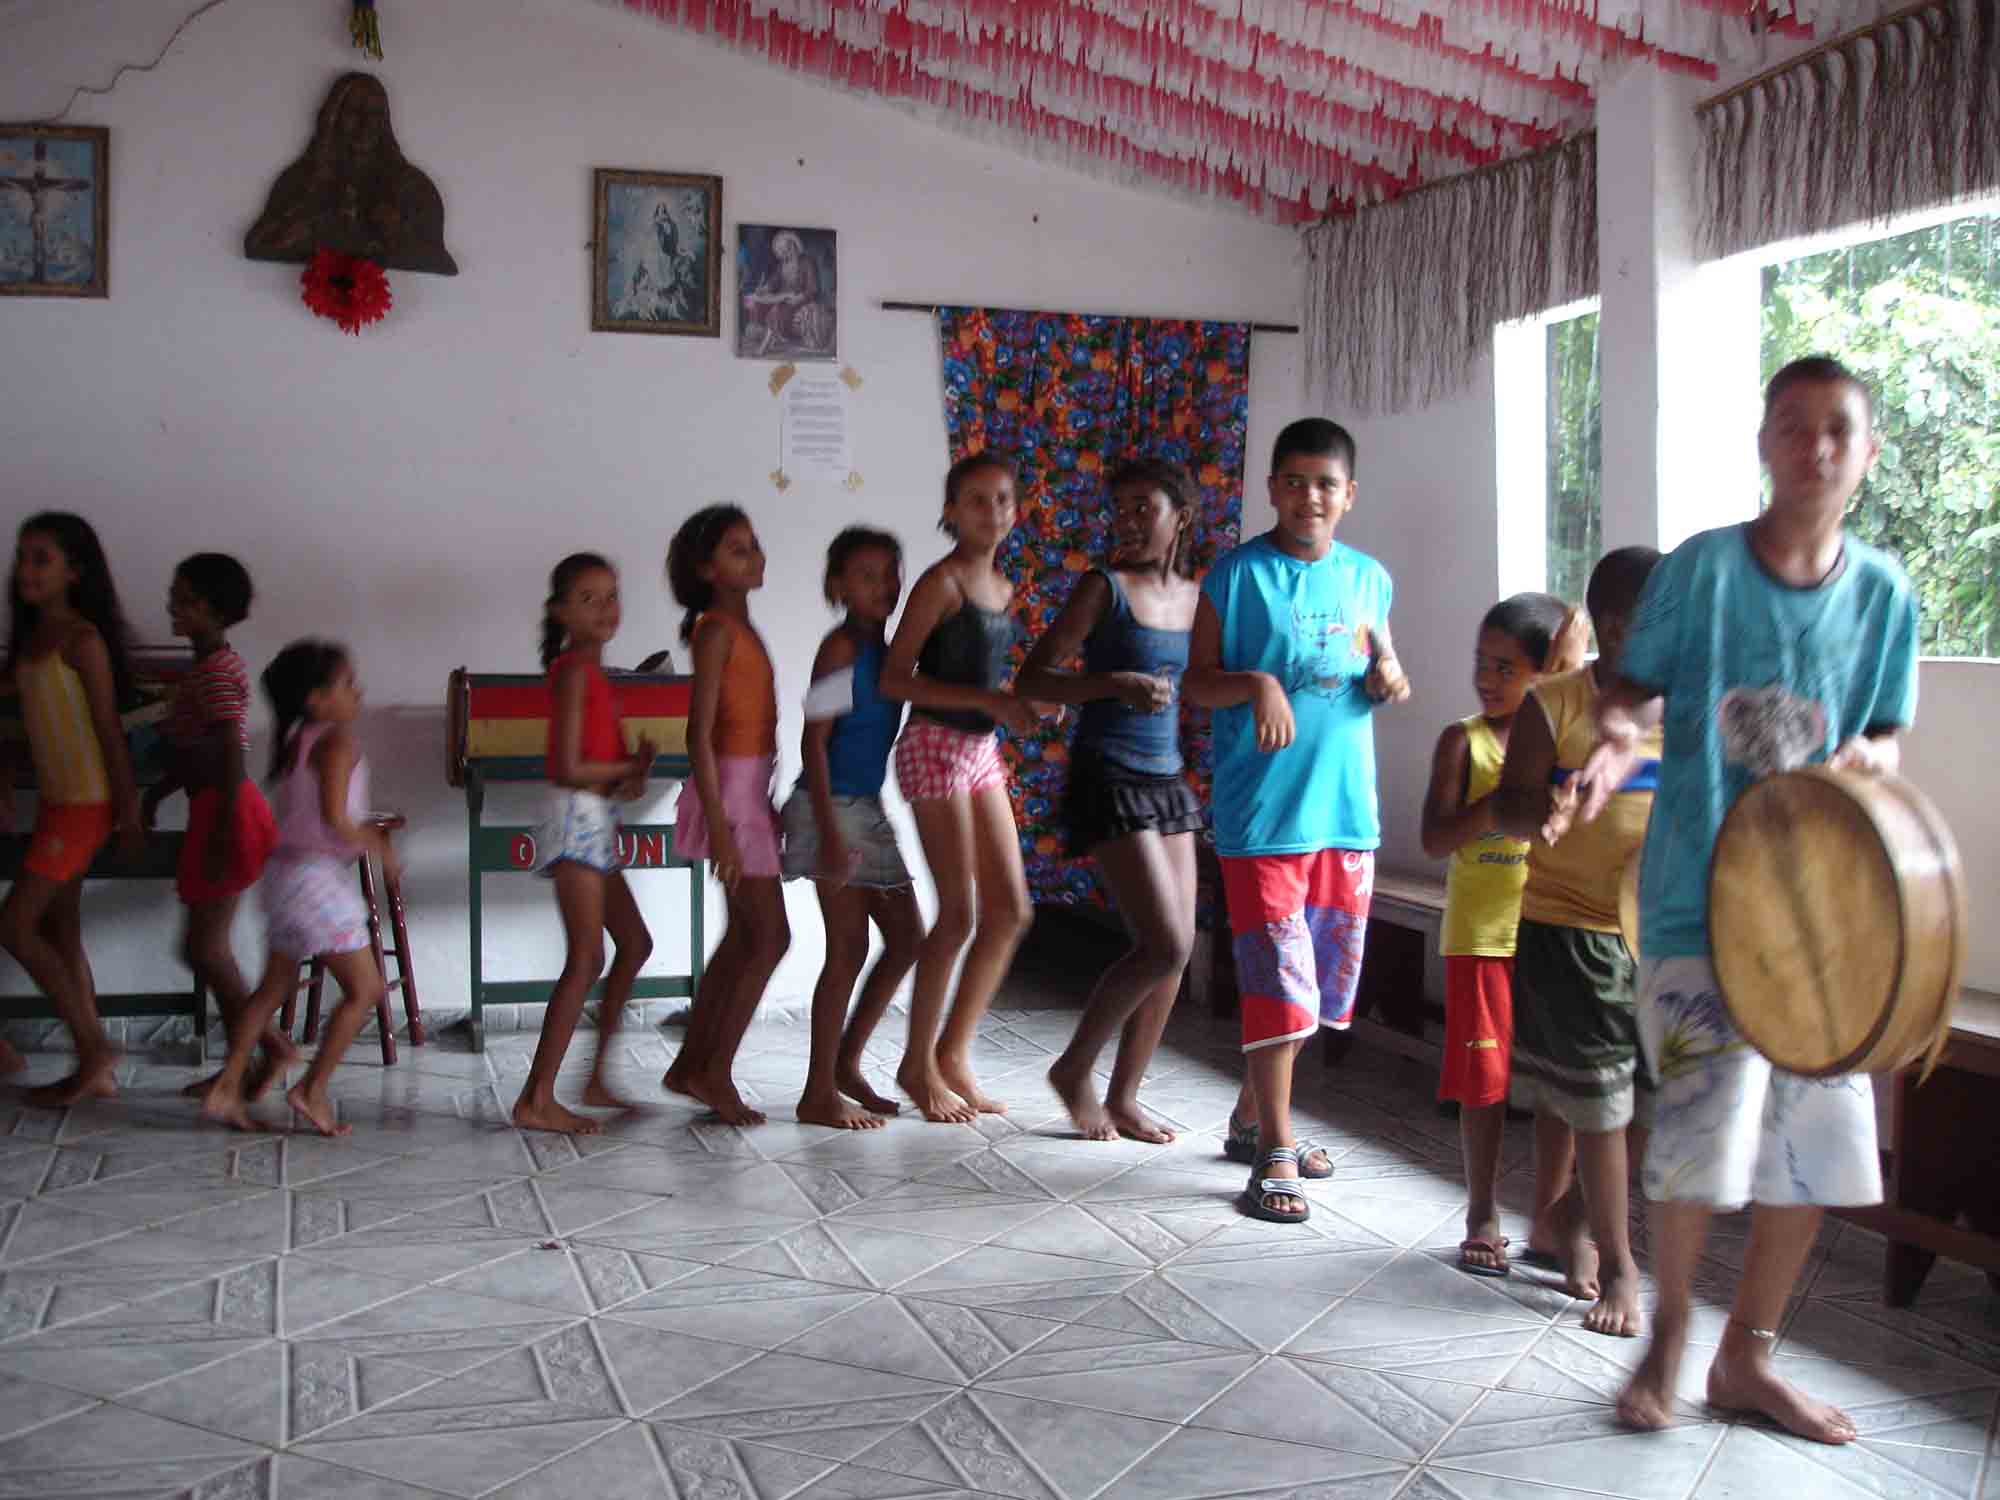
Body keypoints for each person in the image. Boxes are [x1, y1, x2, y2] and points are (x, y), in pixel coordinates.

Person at [1574, 357, 1918, 1439]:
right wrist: (1614, 741)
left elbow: (1884, 729)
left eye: (1838, 429)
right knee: (1695, 1133)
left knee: (1814, 1146)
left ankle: (1746, 1359)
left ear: (1866, 453)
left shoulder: (1884, 594)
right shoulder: (1703, 570)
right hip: (1696, 902)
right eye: (1793, 426)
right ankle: (1670, 1332)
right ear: (1763, 443)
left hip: (1819, 919)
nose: (1816, 447)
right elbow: (1626, 692)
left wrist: (1866, 757)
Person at [1185, 419, 1411, 1223]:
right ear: (1272, 489)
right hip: (1264, 817)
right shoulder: (1236, 577)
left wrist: (1389, 677)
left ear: (1349, 495)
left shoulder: (1369, 580)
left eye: (1325, 484)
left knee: (1312, 987)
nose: (1309, 496)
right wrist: (1256, 683)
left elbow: (1381, 662)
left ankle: (1253, 1120)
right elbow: (1196, 683)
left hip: (1345, 816)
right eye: (1294, 481)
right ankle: (1275, 1151)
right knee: (1277, 985)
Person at [1490, 549, 1663, 1334]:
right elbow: (1509, 809)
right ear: (1613, 626)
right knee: (1601, 1108)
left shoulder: (1685, 707)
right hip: (1571, 931)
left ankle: (1566, 1215)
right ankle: (1619, 1263)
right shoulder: (1555, 704)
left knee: (1654, 1103)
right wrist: (1551, 806)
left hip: (1657, 934)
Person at [1017, 458, 1204, 1143]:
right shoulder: (1103, 588)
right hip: (1110, 773)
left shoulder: (1199, 598)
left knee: (1180, 950)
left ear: (1181, 516)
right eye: (1120, 509)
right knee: (1164, 942)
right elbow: (1034, 678)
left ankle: (1124, 1096)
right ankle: (1074, 1068)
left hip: (1168, 777)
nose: (1126, 521)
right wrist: (1112, 684)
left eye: (1142, 508)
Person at [1419, 591, 1579, 1275]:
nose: (1486, 679)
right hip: (1481, 937)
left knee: (1558, 1089)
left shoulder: (1570, 747)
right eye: (1481, 662)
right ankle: (1481, 1212)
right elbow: (1434, 839)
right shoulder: (1465, 741)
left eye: (1505, 668)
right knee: (1483, 1082)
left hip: (1551, 931)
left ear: (1548, 675)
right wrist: (1496, 806)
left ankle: (1549, 1220)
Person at [880, 453, 1041, 1122]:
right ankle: (916, 1066)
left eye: (1002, 499)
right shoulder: (940, 583)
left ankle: (952, 1055)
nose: (991, 511)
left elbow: (988, 684)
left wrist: (1020, 704)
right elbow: (894, 678)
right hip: (932, 745)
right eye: (975, 499)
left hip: (979, 750)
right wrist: (988, 700)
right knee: (958, 914)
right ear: (949, 511)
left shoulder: (1003, 587)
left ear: (1016, 510)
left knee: (1012, 912)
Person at [197, 641, 395, 1136]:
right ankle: (311, 1089)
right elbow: (336, 819)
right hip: (314, 882)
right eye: (347, 683)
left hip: (284, 877)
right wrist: (378, 845)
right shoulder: (337, 743)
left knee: (272, 988)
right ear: (316, 699)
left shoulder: (299, 739)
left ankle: (227, 1086)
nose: (358, 691)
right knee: (365, 990)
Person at [779, 527, 923, 1129]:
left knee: (908, 938)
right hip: (829, 806)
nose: (883, 585)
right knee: (848, 949)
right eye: (867, 575)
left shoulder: (890, 654)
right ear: (838, 586)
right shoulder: (839, 648)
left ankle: (845, 1064)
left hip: (864, 805)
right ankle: (818, 1092)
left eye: (890, 573)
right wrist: (830, 838)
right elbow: (813, 741)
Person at [0, 513, 143, 1104]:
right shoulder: (33, 638)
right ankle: (96, 1069)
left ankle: (93, 1048)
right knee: (61, 930)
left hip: (84, 805)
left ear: (75, 572)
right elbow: (22, 721)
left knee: (14, 926)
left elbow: (109, 730)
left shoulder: (82, 640)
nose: (25, 569)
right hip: (57, 804)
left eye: (42, 559)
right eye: (22, 556)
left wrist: (129, 810)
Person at [514, 552, 657, 1135]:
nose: (604, 608)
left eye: (611, 595)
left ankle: (594, 1076)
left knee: (634, 943)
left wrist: (631, 774)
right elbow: (570, 767)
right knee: (586, 958)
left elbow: (602, 773)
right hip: (574, 816)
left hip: (594, 815)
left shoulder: (596, 676)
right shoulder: (575, 672)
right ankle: (536, 1098)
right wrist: (624, 768)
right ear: (560, 612)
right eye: (587, 598)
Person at [143, 554, 287, 1107]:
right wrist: (158, 792)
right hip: (214, 808)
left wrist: (225, 824)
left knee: (206, 948)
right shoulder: (203, 668)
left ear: (218, 610)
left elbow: (229, 747)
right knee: (202, 948)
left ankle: (265, 1050)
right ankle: (248, 1059)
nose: (174, 606)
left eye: (188, 600)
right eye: (174, 595)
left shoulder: (217, 671)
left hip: (227, 813)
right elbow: (196, 749)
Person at [662, 506, 788, 1126]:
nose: (755, 555)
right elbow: (698, 734)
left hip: (748, 791)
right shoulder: (715, 632)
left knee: (744, 937)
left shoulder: (740, 626)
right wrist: (721, 826)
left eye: (754, 543)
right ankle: (715, 1071)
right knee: (770, 937)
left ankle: (690, 1065)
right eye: (738, 549)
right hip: (730, 797)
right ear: (707, 569)